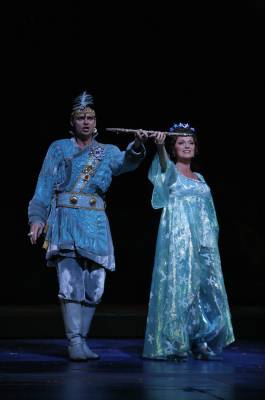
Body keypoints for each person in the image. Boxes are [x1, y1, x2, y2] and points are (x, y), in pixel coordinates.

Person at [28, 91, 148, 361]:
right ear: (72, 122)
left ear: (96, 122)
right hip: (66, 221)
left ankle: (81, 340)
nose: (86, 122)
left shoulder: (106, 152)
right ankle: (74, 341)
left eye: (90, 118)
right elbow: (44, 186)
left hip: (95, 224)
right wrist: (37, 218)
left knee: (95, 286)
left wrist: (138, 145)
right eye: (80, 117)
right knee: (70, 283)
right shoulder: (58, 148)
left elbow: (127, 163)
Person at [143, 122, 234, 361]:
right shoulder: (170, 171)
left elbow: (209, 213)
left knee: (205, 290)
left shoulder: (200, 177)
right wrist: (160, 147)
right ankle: (175, 341)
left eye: (190, 142)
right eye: (181, 142)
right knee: (180, 288)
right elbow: (164, 170)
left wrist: (211, 240)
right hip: (180, 241)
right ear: (174, 148)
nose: (186, 146)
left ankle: (200, 338)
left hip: (204, 242)